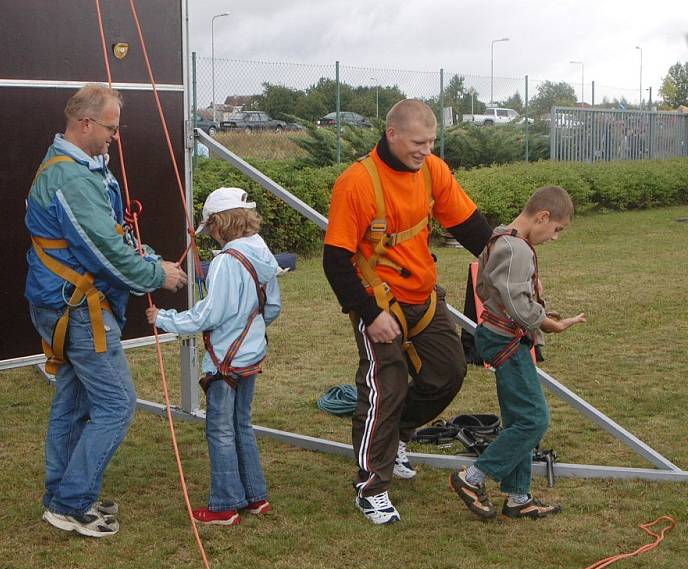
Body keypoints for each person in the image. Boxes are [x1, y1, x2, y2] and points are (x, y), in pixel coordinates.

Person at [25, 83, 187, 537]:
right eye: (111, 128)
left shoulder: (81, 170)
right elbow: (104, 251)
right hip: (77, 309)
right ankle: (72, 503)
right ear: (85, 124)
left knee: (74, 404)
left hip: (66, 303)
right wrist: (158, 276)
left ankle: (63, 495)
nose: (116, 136)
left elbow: (111, 237)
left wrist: (150, 260)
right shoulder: (71, 179)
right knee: (117, 405)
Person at [323, 99, 494, 525]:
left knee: (448, 372)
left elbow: (470, 226)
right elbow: (335, 260)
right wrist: (368, 313)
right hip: (377, 304)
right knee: (387, 388)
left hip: (424, 294)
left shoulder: (432, 170)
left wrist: (511, 263)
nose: (426, 150)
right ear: (392, 134)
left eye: (432, 142)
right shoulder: (357, 183)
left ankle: (397, 436)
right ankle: (372, 486)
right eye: (419, 142)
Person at [449, 186, 586, 520]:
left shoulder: (498, 237)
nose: (555, 237)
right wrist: (546, 322)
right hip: (506, 340)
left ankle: (517, 496)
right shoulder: (517, 248)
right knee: (534, 419)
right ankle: (472, 478)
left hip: (499, 334)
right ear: (542, 216)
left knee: (517, 419)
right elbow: (518, 302)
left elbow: (489, 289)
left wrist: (534, 314)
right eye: (557, 229)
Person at [146, 187, 281, 526]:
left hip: (225, 362)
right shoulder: (262, 252)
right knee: (241, 425)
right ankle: (255, 496)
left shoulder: (225, 261)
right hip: (250, 355)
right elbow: (273, 307)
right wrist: (247, 329)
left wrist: (164, 319)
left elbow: (209, 315)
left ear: (220, 224)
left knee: (220, 430)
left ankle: (224, 505)